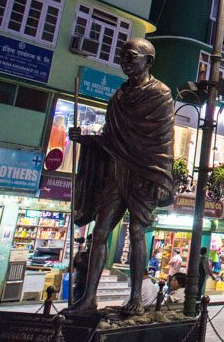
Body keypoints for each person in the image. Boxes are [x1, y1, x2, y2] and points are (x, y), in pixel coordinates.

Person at [66, 39, 175, 315]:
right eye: (122, 55)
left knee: (138, 232)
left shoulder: (160, 94)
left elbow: (162, 142)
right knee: (99, 232)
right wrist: (86, 140)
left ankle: (137, 297)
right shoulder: (119, 97)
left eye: (131, 56)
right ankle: (88, 299)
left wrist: (160, 177)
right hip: (117, 171)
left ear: (147, 61)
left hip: (144, 173)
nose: (125, 60)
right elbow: (110, 137)